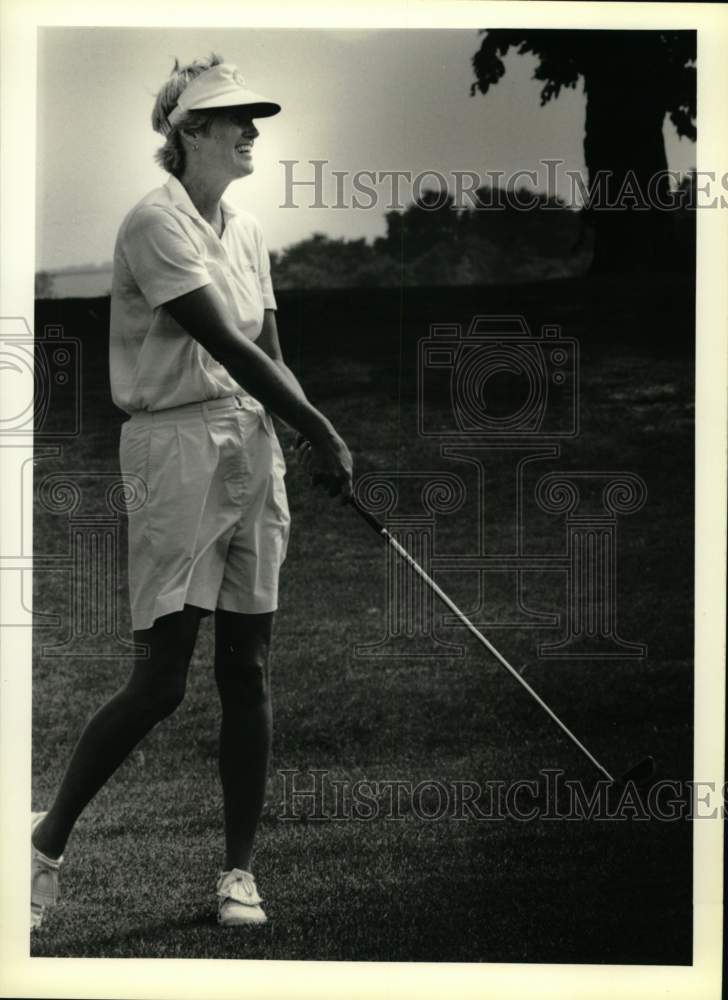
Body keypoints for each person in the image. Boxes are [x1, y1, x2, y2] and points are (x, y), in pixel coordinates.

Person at [30, 53, 353, 931]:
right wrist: (323, 427)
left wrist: (296, 435)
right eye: (235, 119)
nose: (252, 131)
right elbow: (227, 345)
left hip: (251, 445)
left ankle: (238, 875)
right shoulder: (154, 222)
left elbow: (270, 352)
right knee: (162, 679)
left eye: (255, 118)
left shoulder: (246, 231)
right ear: (191, 133)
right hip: (173, 448)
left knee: (248, 667)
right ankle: (42, 847)